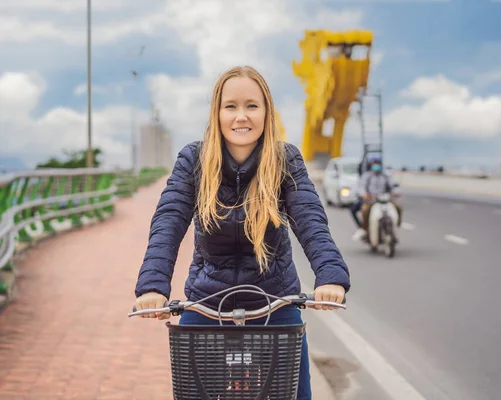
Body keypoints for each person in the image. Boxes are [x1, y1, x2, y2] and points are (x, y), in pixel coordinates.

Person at [133, 65, 350, 400]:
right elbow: (168, 220)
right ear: (217, 113)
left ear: (267, 113)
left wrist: (330, 276)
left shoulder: (284, 159)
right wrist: (153, 286)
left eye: (252, 105)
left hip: (274, 304)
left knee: (296, 394)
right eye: (230, 106)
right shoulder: (194, 159)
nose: (241, 116)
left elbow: (311, 221)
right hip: (207, 303)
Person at [352, 158, 402, 242]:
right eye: (375, 164)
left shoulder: (386, 176)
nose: (377, 166)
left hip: (385, 200)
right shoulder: (367, 176)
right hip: (372, 201)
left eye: (378, 164)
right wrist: (364, 194)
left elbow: (393, 186)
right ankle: (364, 229)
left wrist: (396, 193)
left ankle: (396, 226)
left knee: (398, 209)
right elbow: (361, 187)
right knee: (365, 211)